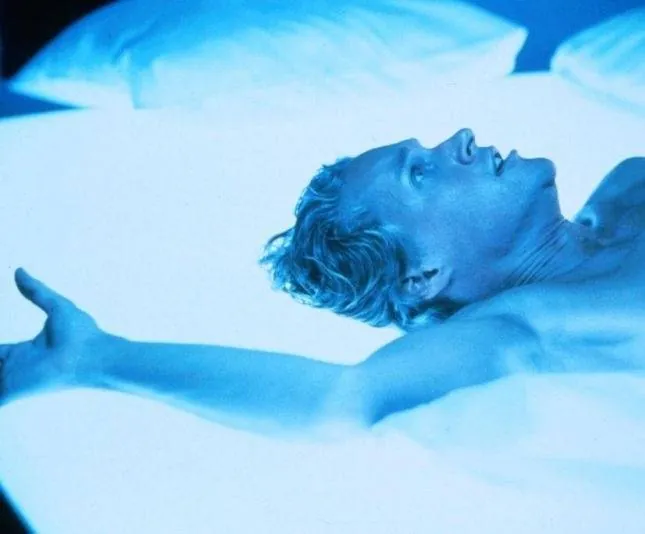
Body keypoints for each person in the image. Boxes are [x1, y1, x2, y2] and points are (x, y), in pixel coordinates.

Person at [1, 129, 644, 440]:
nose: (461, 138)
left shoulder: (629, 183)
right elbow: (338, 400)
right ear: (424, 275)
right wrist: (96, 358)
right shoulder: (518, 326)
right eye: (420, 174)